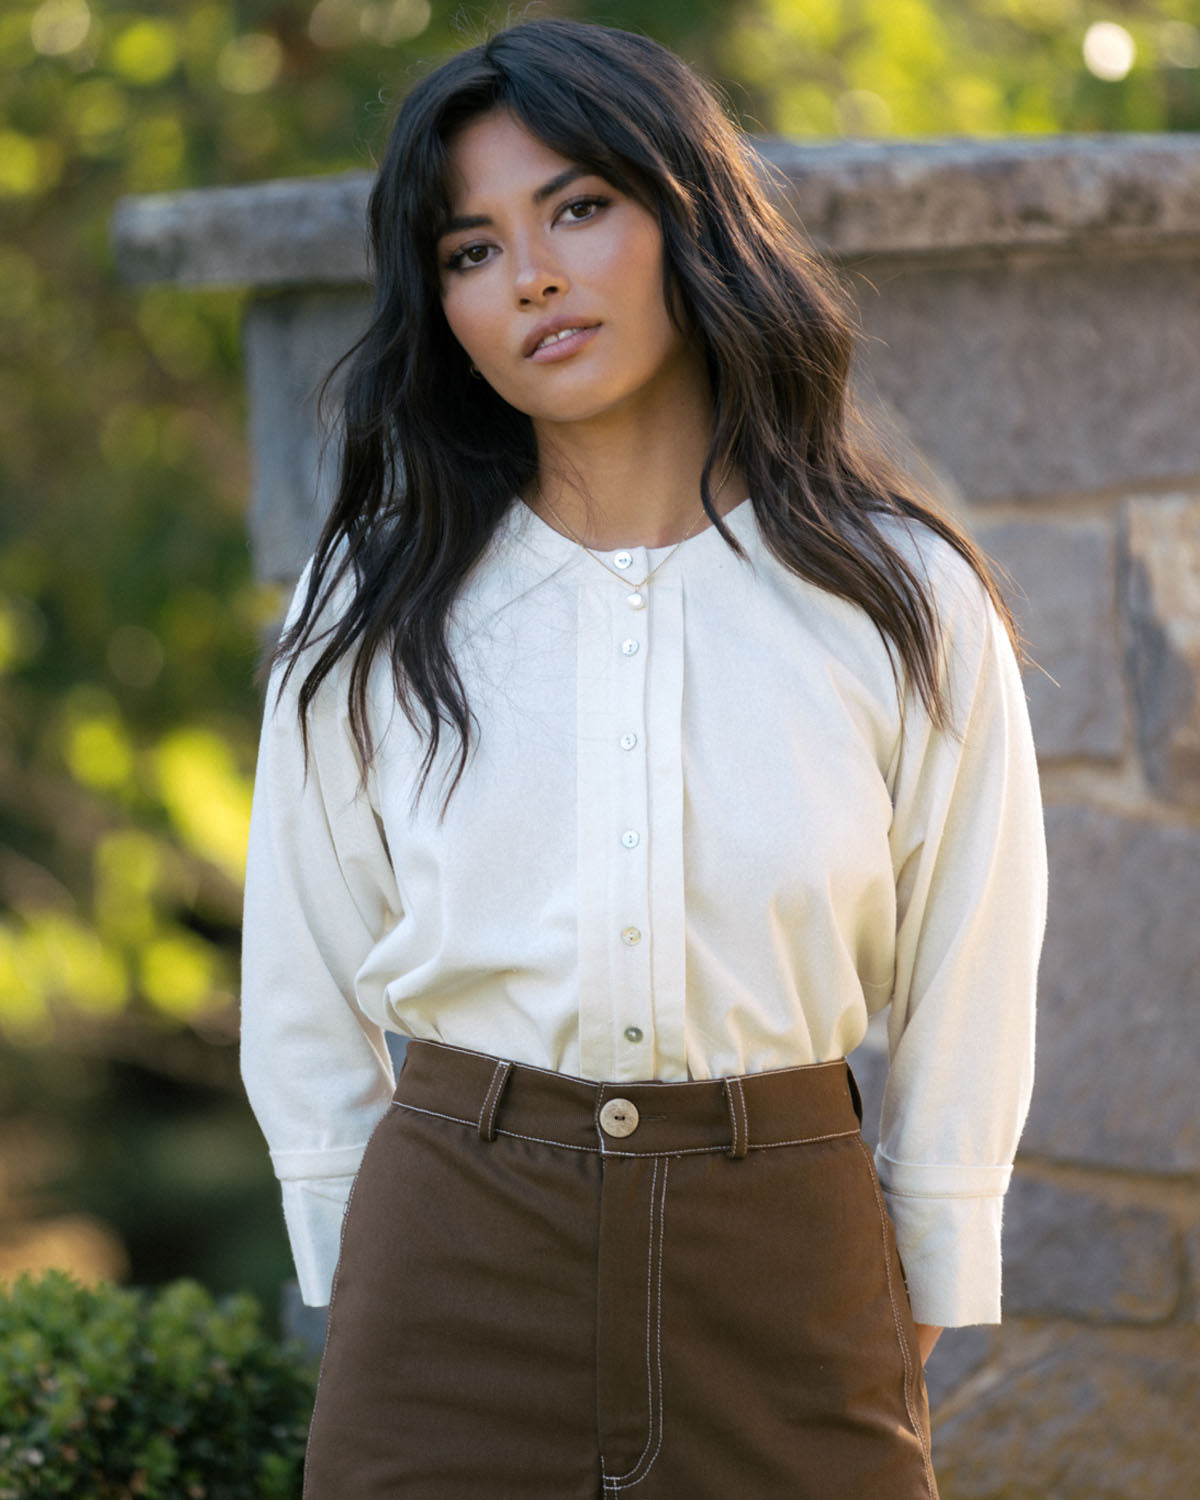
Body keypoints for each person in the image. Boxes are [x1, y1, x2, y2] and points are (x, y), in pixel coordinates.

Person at [238, 15, 1047, 1500]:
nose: (530, 276)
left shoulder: (900, 599)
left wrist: (921, 1270)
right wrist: (374, 1272)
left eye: (578, 209)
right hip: (453, 1259)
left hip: (787, 1261)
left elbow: (970, 963)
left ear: (691, 213)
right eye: (470, 249)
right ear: (442, 306)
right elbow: (303, 975)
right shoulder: (371, 606)